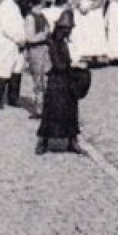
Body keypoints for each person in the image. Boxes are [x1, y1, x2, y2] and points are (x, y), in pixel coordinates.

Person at [37, 10, 84, 155]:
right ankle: (43, 140)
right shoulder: (54, 43)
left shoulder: (67, 42)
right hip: (56, 82)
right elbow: (58, 64)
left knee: (70, 111)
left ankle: (72, 140)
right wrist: (73, 64)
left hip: (68, 80)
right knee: (52, 111)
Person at [68, 0, 109, 66]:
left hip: (94, 11)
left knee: (94, 33)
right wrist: (78, 5)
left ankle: (96, 55)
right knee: (83, 32)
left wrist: (91, 7)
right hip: (82, 11)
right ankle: (86, 55)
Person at [20, 0, 53, 117]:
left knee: (46, 78)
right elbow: (30, 38)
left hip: (45, 49)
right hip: (35, 50)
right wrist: (43, 35)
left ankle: (47, 107)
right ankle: (39, 109)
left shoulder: (42, 15)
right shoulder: (30, 18)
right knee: (38, 79)